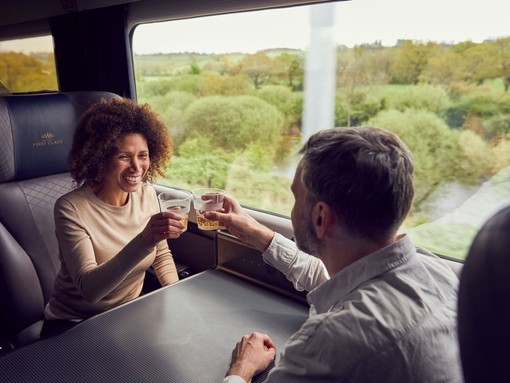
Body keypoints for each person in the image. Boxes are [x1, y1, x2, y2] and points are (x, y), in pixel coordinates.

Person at [206, 127, 462, 382]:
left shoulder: (329, 343)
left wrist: (241, 369)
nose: (293, 207)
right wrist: (255, 232)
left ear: (320, 217)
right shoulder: (438, 275)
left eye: (295, 197)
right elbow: (334, 281)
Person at [41, 97, 183, 337]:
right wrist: (145, 240)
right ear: (99, 158)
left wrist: (179, 298)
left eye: (143, 155)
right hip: (75, 324)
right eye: (123, 157)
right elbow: (90, 290)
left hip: (127, 315)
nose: (137, 168)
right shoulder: (70, 208)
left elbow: (161, 256)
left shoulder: (147, 193)